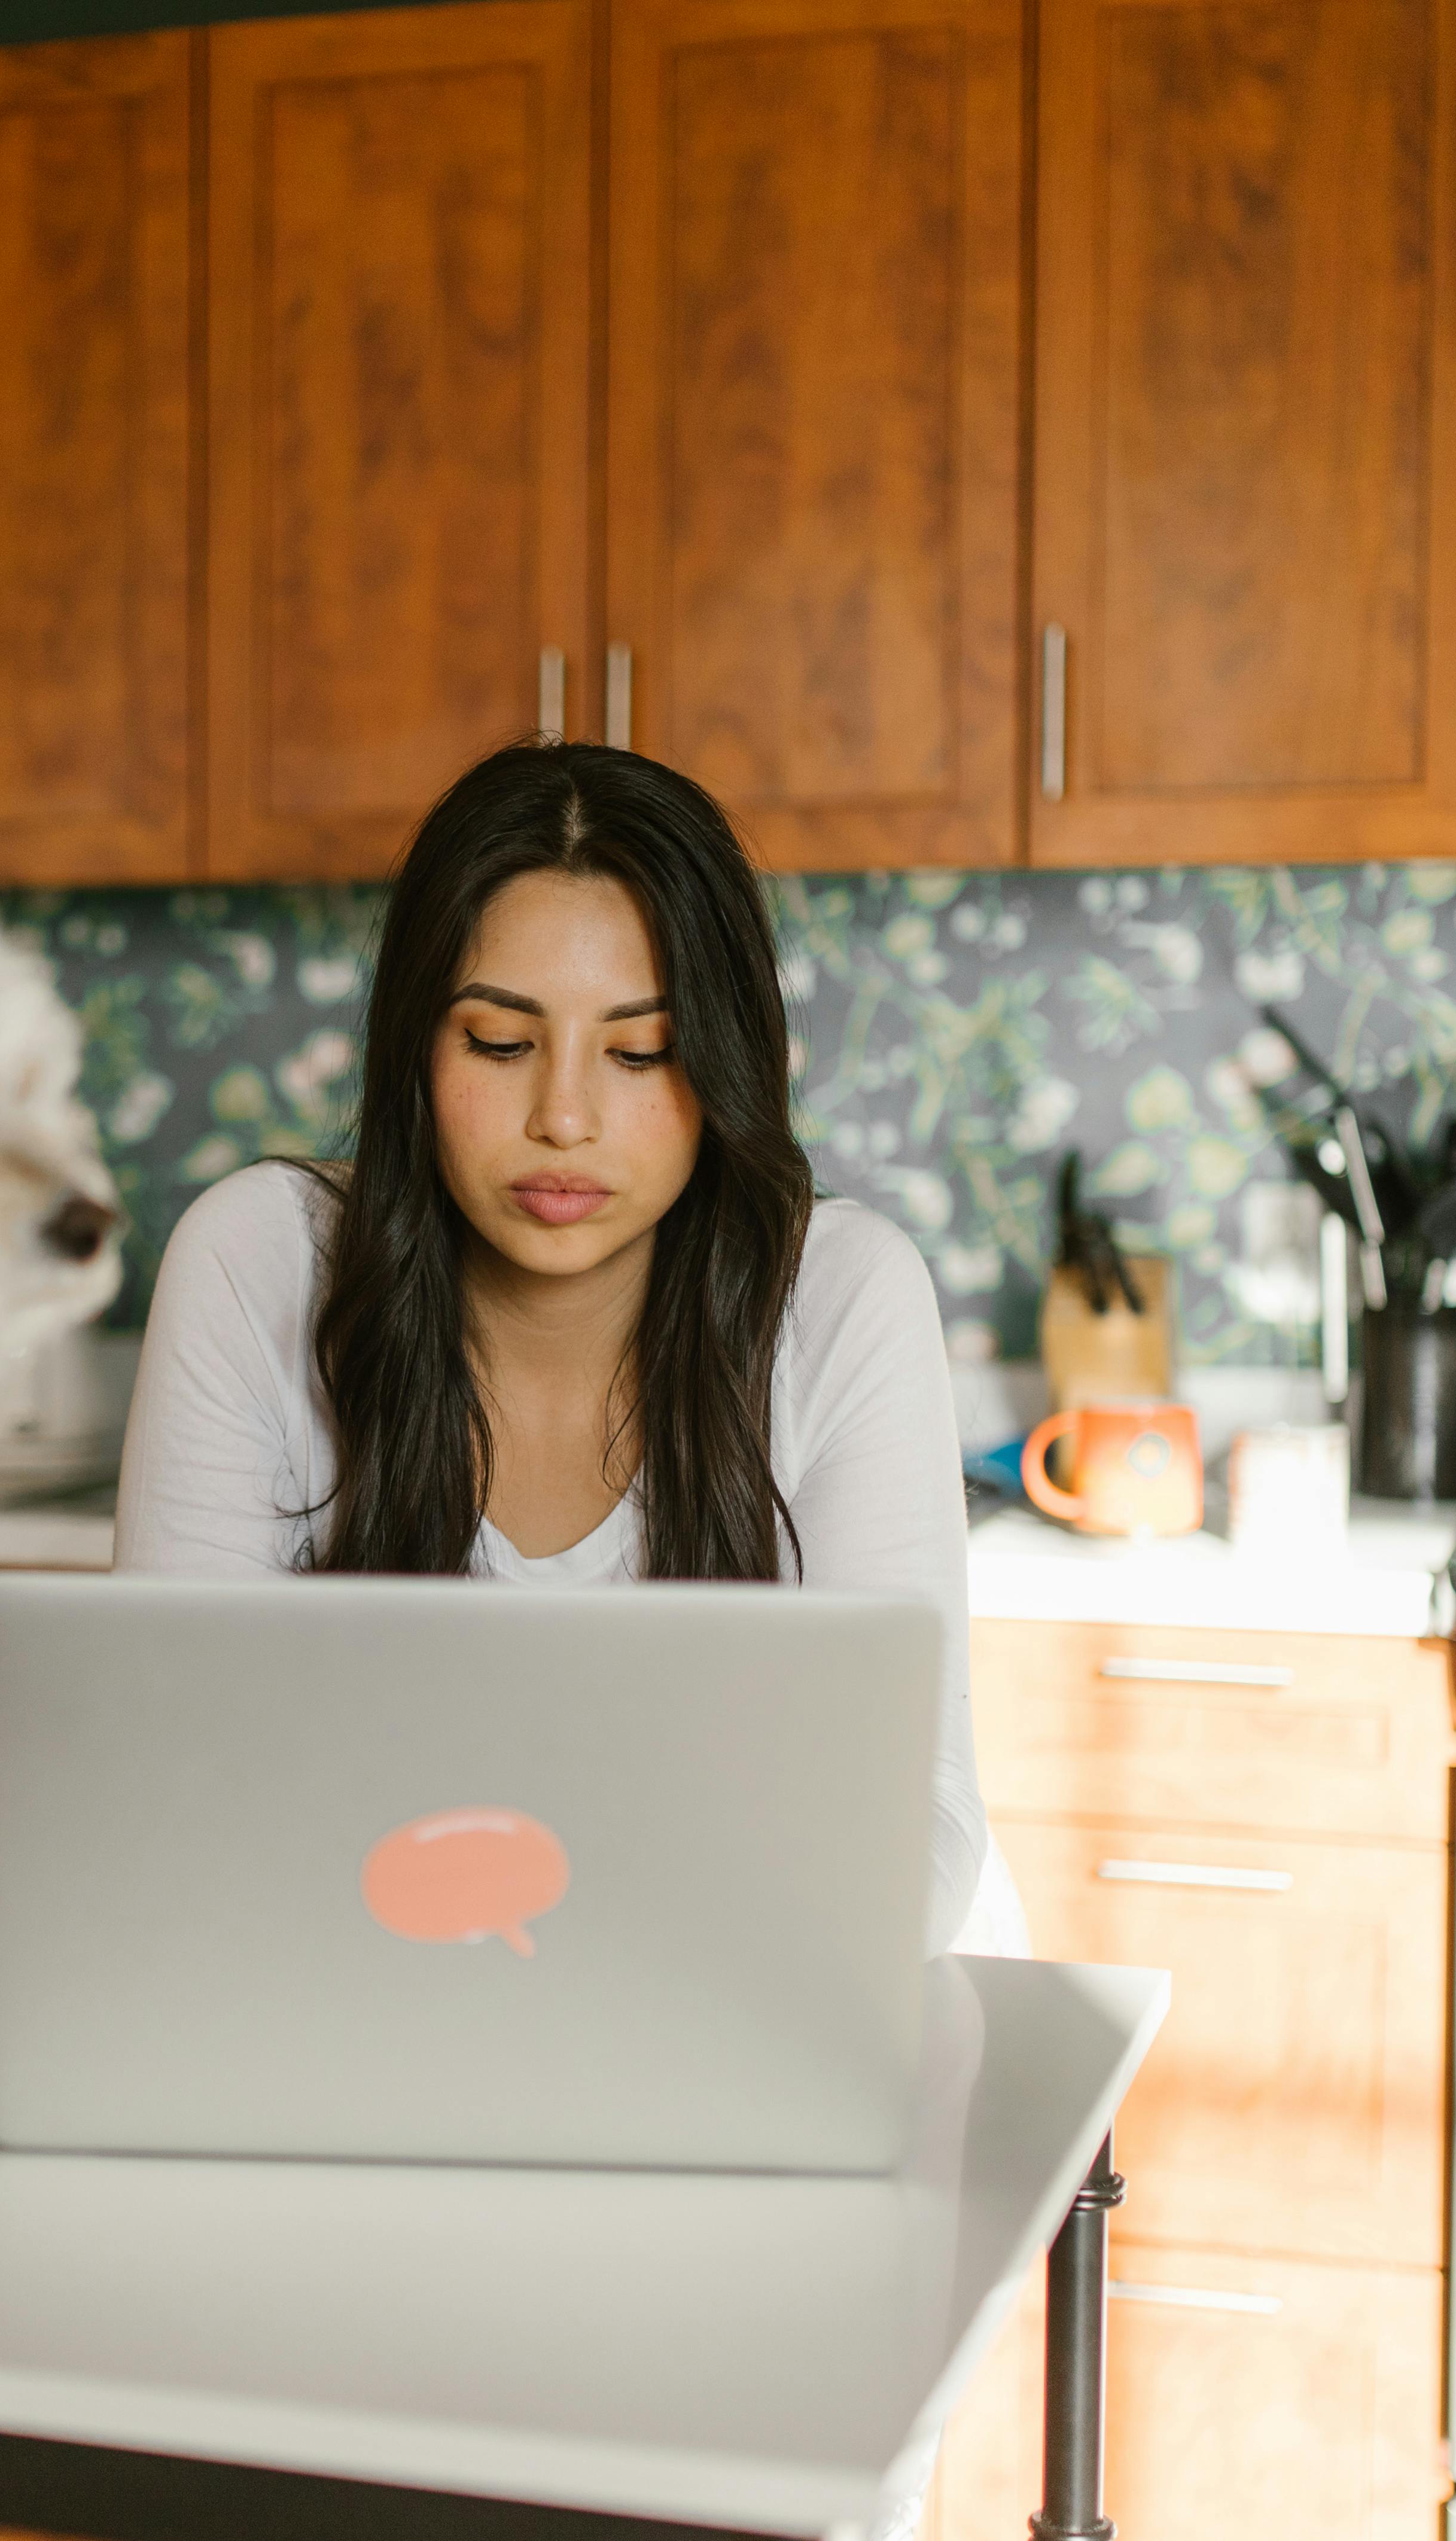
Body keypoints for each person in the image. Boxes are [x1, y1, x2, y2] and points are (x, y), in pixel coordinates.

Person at [112, 740, 1023, 1956]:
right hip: (381, 2008)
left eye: (638, 1053)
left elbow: (917, 1812)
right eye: (499, 1042)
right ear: (415, 1052)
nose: (563, 1117)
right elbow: (172, 1783)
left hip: (788, 2001)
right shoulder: (254, 1264)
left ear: (719, 1068)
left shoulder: (842, 1297)